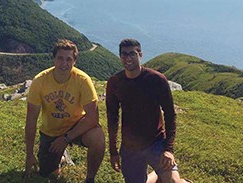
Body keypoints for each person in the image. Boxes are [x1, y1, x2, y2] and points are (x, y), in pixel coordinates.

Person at [106, 38, 190, 183]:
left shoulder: (157, 80)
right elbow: (112, 118)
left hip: (156, 142)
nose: (128, 58)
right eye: (124, 54)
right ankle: (157, 175)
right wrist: (113, 152)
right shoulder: (115, 83)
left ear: (140, 54)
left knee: (174, 182)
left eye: (132, 53)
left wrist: (169, 150)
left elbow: (170, 115)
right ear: (120, 56)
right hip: (130, 147)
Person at [25, 39, 105, 183]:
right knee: (47, 173)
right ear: (54, 59)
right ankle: (60, 157)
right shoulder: (40, 81)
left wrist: (66, 138)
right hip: (51, 131)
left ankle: (90, 179)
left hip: (76, 126)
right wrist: (29, 155)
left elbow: (93, 118)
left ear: (74, 61)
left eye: (69, 59)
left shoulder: (82, 80)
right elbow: (31, 120)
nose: (64, 63)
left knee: (97, 138)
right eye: (60, 58)